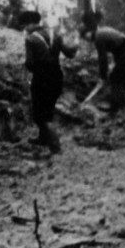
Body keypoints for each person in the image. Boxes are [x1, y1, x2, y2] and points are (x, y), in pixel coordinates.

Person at [21, 10, 78, 153]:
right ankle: (43, 138)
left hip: (41, 78)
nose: (25, 28)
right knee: (48, 109)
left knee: (40, 113)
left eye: (25, 25)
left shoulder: (30, 39)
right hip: (57, 76)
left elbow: (30, 63)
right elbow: (70, 54)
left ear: (30, 24)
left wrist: (28, 68)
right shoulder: (55, 35)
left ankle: (55, 146)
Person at [80, 12, 125, 113]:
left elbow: (102, 58)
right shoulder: (102, 32)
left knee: (115, 79)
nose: (87, 40)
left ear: (88, 33)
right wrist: (115, 65)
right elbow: (117, 49)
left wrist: (103, 76)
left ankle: (114, 109)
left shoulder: (98, 37)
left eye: (85, 37)